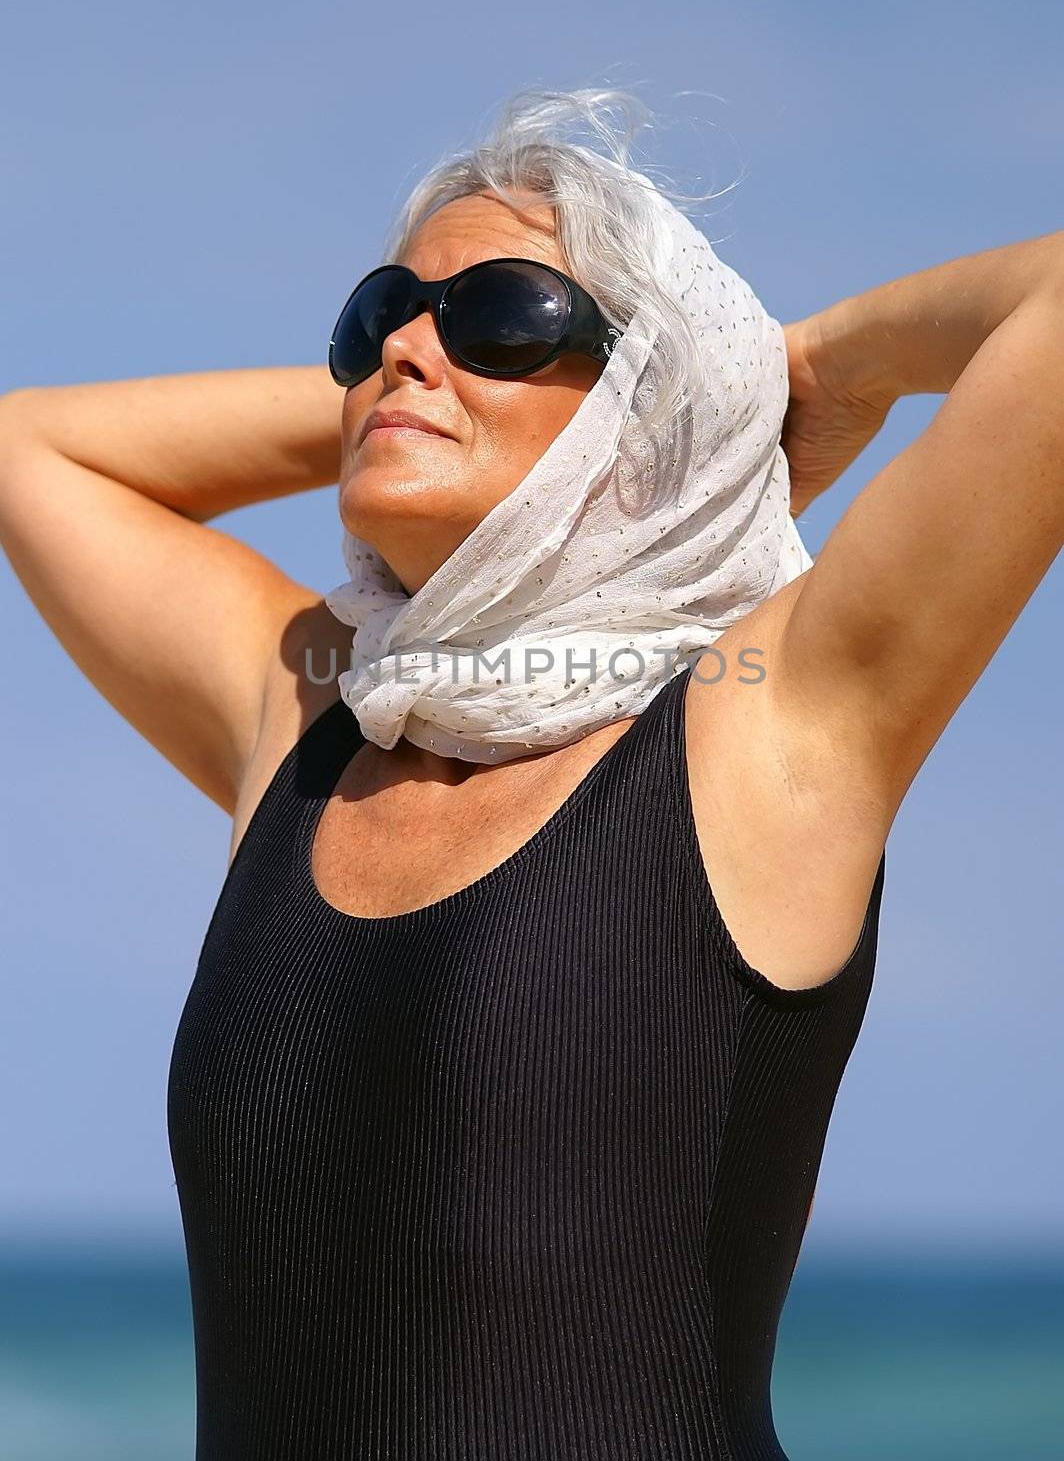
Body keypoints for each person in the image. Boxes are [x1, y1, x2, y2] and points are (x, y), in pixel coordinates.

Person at [1, 86, 1061, 1460]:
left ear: (654, 402)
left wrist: (782, 372)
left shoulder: (771, 729)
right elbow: (34, 449)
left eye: (504, 315)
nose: (404, 350)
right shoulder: (312, 717)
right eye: (376, 319)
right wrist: (413, 389)